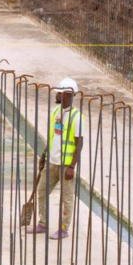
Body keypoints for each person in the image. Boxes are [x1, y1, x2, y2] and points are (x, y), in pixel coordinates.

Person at [28, 78, 82, 240]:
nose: (57, 95)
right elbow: (53, 137)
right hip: (52, 161)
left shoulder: (77, 117)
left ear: (68, 95)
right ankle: (42, 223)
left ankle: (64, 228)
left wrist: (72, 167)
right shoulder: (55, 112)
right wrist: (44, 155)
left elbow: (79, 144)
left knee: (66, 198)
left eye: (60, 92)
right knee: (42, 191)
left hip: (65, 165)